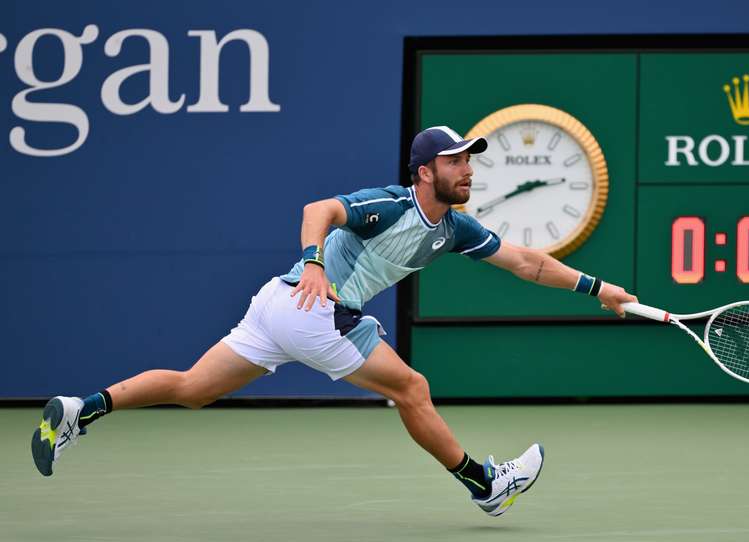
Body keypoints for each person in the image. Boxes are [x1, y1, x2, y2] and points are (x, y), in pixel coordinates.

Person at [31, 126, 637, 517]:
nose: (469, 170)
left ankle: (81, 408)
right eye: (457, 162)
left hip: (278, 305)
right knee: (412, 388)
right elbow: (317, 209)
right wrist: (317, 262)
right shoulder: (390, 205)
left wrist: (601, 289)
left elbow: (527, 262)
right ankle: (484, 483)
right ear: (426, 171)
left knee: (193, 389)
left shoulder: (456, 229)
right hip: (313, 307)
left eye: (470, 162)